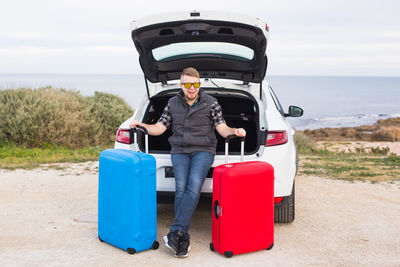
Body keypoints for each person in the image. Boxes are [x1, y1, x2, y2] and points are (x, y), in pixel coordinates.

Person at [130, 67, 246, 258]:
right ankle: (181, 238)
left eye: (195, 84)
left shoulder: (211, 103)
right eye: (187, 85)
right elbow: (159, 128)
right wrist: (142, 125)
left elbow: (222, 128)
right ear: (181, 85)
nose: (191, 88)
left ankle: (176, 230)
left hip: (203, 150)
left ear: (199, 84)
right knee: (180, 189)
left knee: (193, 187)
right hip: (180, 150)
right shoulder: (172, 103)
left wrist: (235, 131)